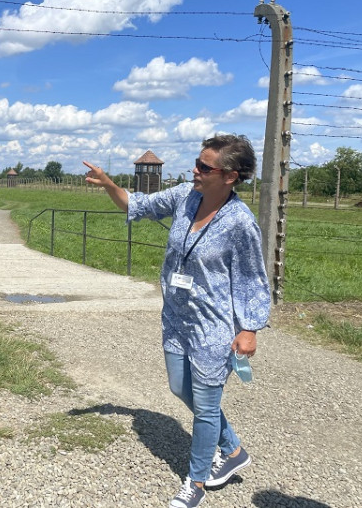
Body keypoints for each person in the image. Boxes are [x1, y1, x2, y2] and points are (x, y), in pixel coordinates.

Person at [84, 134, 271, 508]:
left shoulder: (240, 223)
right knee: (178, 387)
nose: (195, 170)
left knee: (204, 406)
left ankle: (197, 482)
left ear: (230, 176)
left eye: (204, 166)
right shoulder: (186, 196)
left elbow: (253, 279)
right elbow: (137, 204)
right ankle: (233, 448)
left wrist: (249, 328)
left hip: (214, 325)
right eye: (197, 162)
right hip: (176, 317)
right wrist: (108, 185)